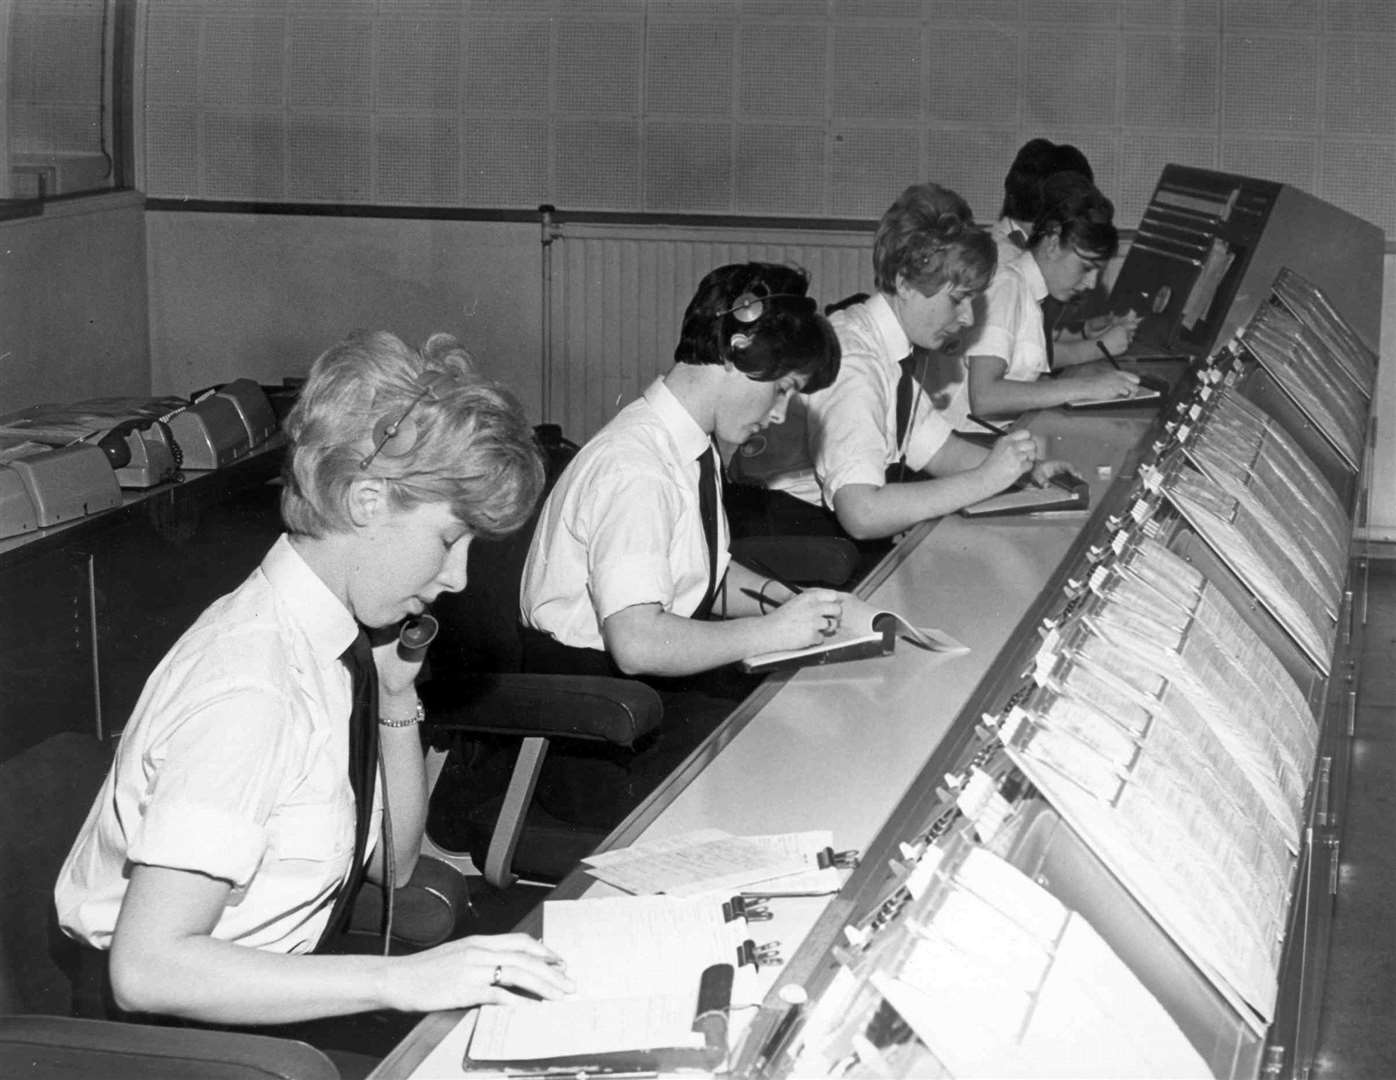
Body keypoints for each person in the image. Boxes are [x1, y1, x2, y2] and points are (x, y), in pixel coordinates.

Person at [54, 331, 573, 1049]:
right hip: (174, 1048)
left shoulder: (328, 640)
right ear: (366, 500)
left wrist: (396, 699)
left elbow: (392, 864)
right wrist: (396, 981)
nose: (456, 577)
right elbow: (147, 970)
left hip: (269, 1009)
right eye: (450, 538)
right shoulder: (251, 685)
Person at [516, 264, 847, 822]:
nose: (781, 412)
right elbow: (639, 642)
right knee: (801, 760)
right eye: (783, 388)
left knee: (814, 713)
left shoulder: (686, 444)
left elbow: (701, 574)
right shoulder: (637, 468)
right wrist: (771, 632)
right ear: (736, 351)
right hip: (596, 734)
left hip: (640, 703)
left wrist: (800, 606)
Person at [748, 183, 1076, 546]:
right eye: (958, 300)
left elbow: (939, 449)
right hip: (798, 538)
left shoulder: (885, 345)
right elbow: (861, 514)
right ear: (904, 283)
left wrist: (1024, 474)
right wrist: (986, 480)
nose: (968, 318)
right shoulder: (855, 365)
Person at [962, 171, 1142, 418]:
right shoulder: (1007, 286)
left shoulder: (1029, 292)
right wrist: (1086, 387)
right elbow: (984, 397)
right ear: (1053, 244)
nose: (1091, 283)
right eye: (1086, 267)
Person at [991, 139, 1137, 369]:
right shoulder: (1005, 264)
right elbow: (1027, 359)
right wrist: (1099, 346)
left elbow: (1031, 335)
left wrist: (1085, 331)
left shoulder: (1013, 247)